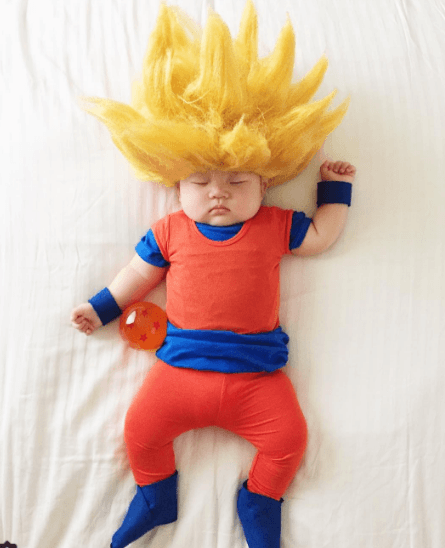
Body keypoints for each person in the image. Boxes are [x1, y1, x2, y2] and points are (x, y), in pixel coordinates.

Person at [70, 2, 356, 547]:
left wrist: (334, 191)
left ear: (265, 184)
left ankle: (261, 498)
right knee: (140, 431)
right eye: (200, 182)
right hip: (179, 371)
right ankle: (156, 496)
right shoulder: (170, 230)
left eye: (237, 181)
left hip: (256, 376)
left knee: (289, 440)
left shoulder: (274, 225)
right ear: (175, 185)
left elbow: (320, 237)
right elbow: (136, 275)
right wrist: (101, 307)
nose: (218, 193)